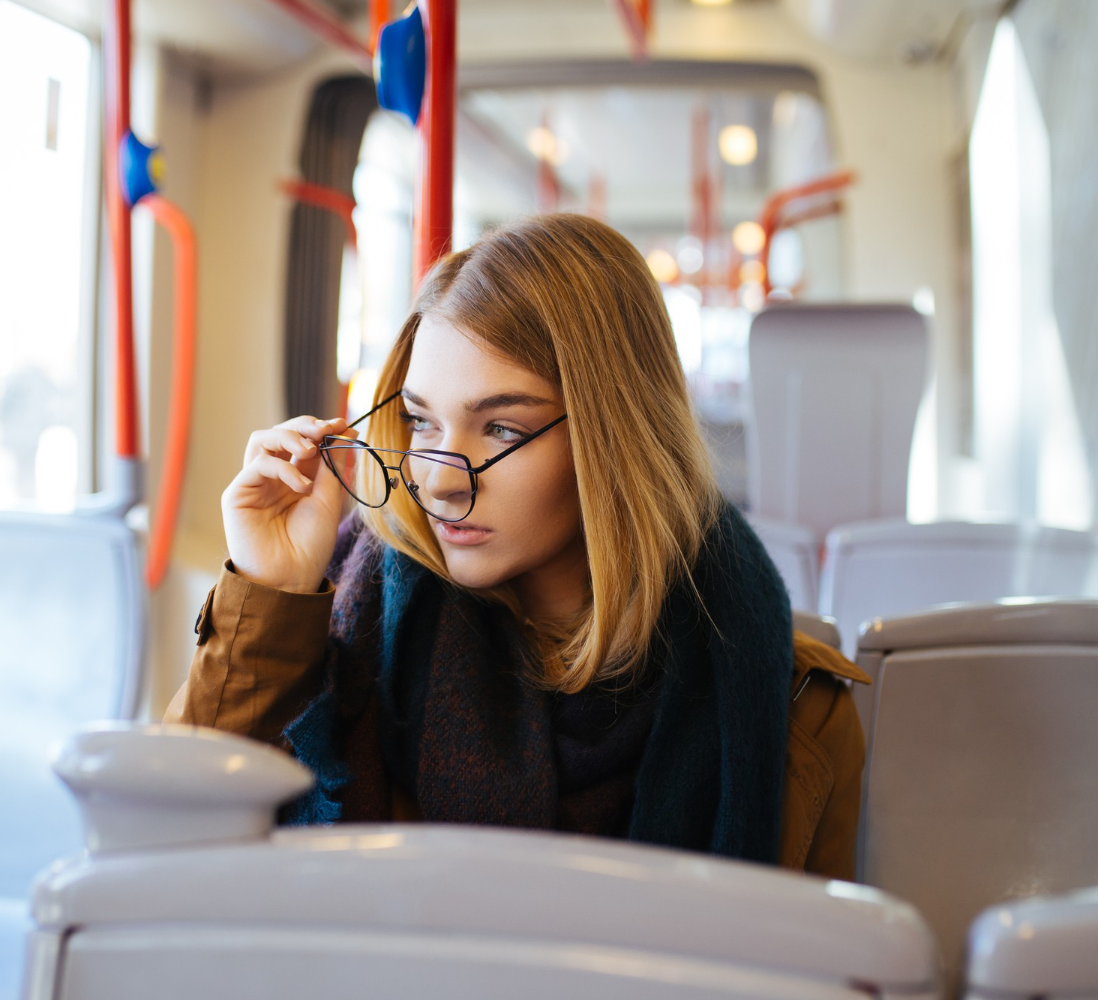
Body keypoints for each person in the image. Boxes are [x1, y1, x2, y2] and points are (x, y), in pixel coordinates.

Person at [166, 213, 869, 878]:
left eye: (501, 428)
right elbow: (163, 851)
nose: (437, 483)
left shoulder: (799, 709)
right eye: (419, 422)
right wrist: (270, 592)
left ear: (613, 437)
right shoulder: (345, 620)